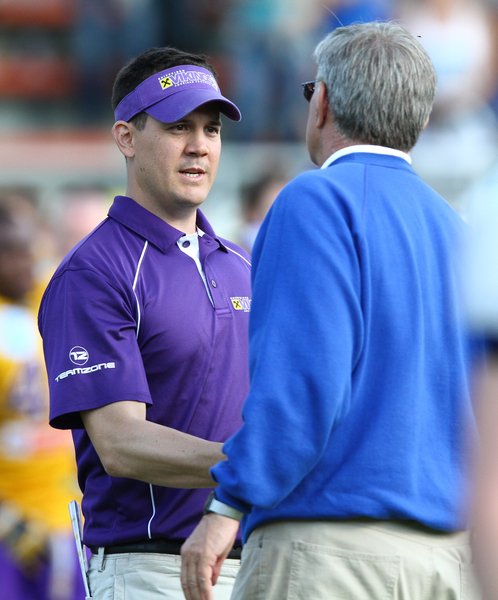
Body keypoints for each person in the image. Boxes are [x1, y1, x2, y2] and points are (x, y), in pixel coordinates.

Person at [181, 21, 481, 600]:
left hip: (332, 553)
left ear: (320, 102)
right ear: (420, 119)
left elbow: (302, 386)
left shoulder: (315, 198)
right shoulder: (457, 229)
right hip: (450, 561)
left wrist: (228, 505)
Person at [38, 47, 251, 600]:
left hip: (255, 560)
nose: (200, 145)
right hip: (151, 569)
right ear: (126, 137)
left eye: (211, 129)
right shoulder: (92, 271)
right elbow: (120, 442)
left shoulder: (244, 265)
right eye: (179, 126)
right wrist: (253, 463)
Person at [0, 204, 84, 600]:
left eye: (25, 249)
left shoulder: (48, 300)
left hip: (66, 511)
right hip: (12, 516)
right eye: (9, 252)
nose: (23, 262)